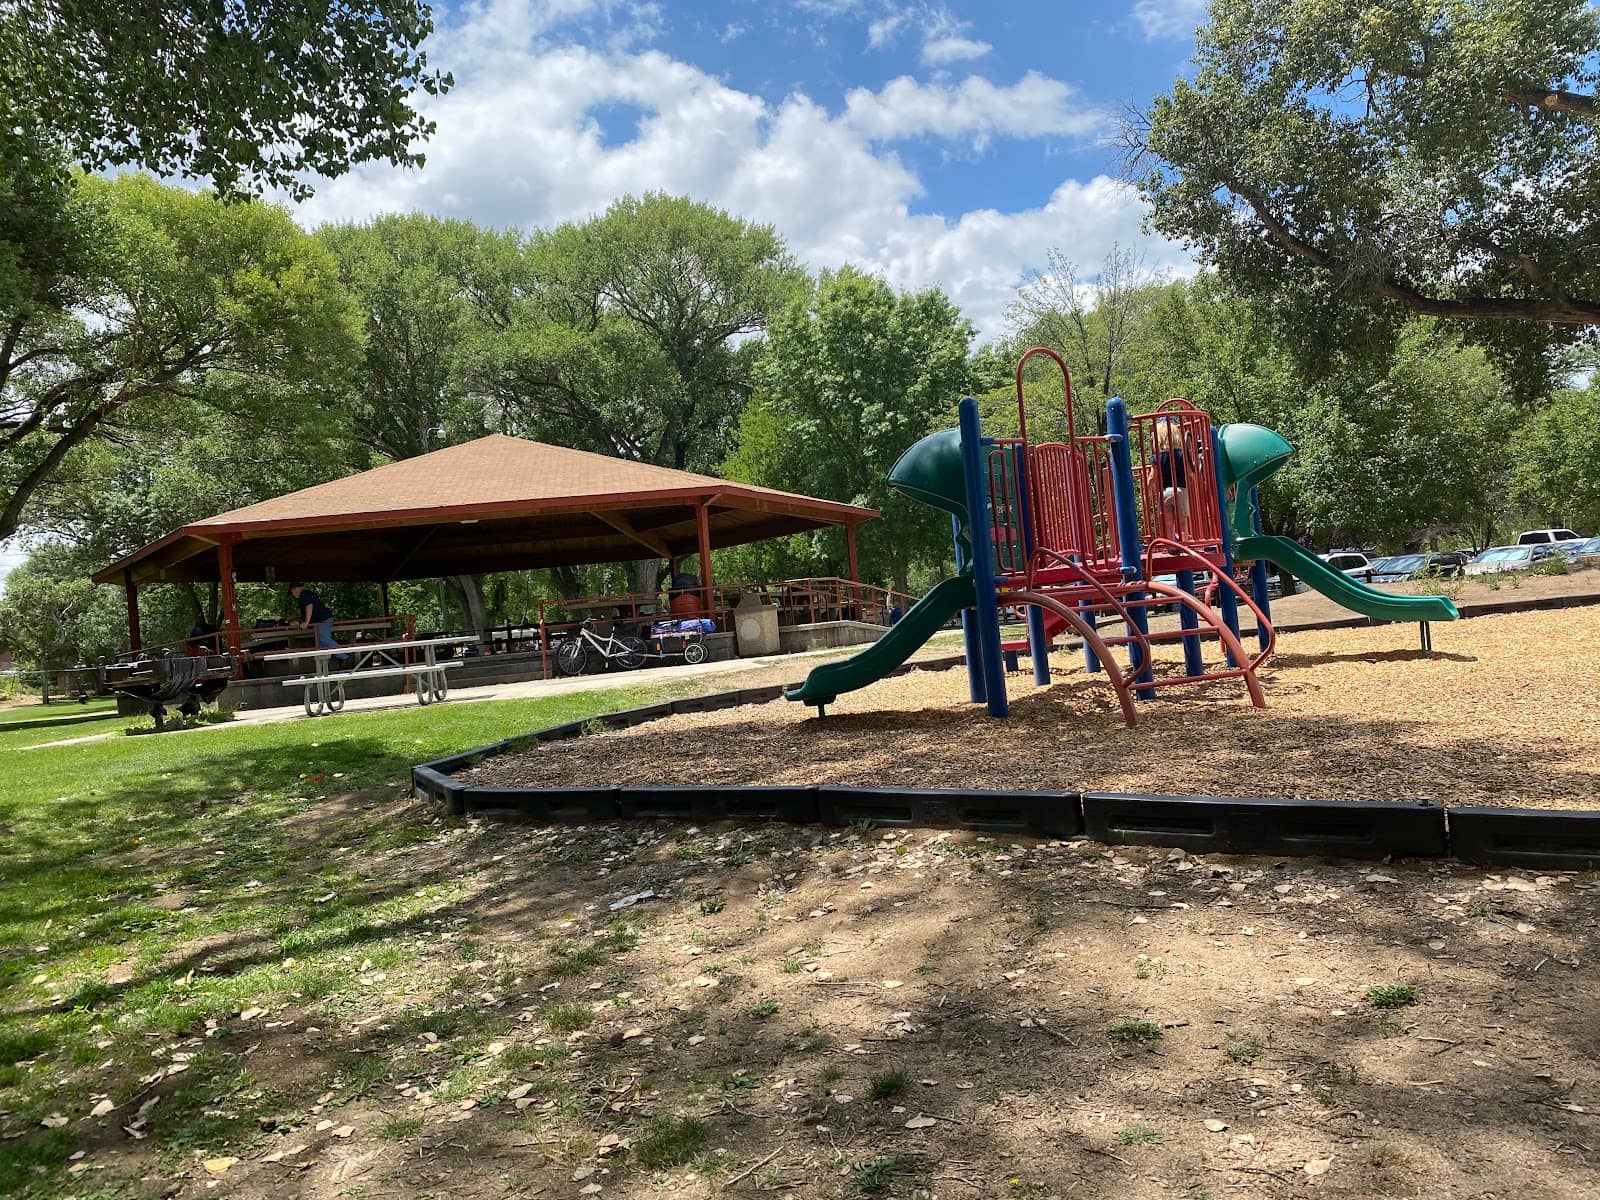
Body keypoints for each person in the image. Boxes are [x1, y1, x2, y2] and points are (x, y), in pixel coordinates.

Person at [288, 583, 348, 663]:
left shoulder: (304, 594)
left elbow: (309, 606)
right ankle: (323, 665)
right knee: (320, 644)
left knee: (323, 638)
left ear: (295, 589)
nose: (292, 594)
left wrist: (306, 622)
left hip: (323, 620)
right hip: (319, 621)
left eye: (291, 592)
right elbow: (299, 612)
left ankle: (344, 657)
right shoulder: (303, 597)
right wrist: (287, 619)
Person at [1152, 417, 1189, 536]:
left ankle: (1171, 547)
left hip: (1164, 492)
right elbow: (1190, 470)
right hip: (1180, 490)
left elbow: (1152, 477)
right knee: (1182, 522)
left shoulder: (1157, 457)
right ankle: (1184, 545)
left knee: (1168, 523)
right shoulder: (1182, 454)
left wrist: (1147, 491)